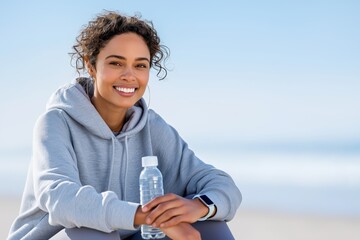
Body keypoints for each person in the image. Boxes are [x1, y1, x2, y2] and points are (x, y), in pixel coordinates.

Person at [7, 10, 241, 240]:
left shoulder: (151, 126)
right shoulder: (56, 122)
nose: (129, 76)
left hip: (130, 234)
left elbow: (221, 184)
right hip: (61, 234)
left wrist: (199, 207)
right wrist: (149, 216)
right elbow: (61, 200)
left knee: (211, 225)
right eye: (116, 63)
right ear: (90, 65)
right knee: (91, 229)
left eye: (140, 65)